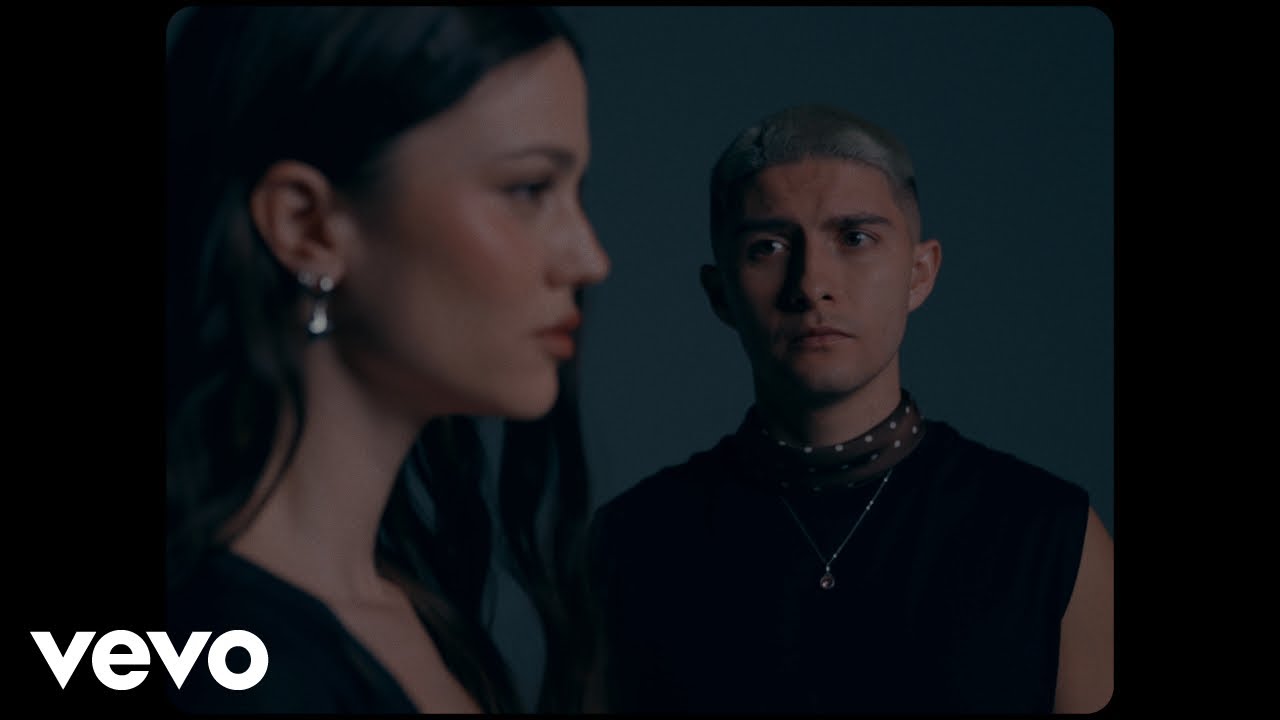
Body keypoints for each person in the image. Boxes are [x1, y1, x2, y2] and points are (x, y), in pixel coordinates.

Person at [589, 104, 1113, 714]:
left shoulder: (1050, 535)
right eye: (768, 246)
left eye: (855, 238)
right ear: (720, 293)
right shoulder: (632, 542)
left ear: (919, 273)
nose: (811, 284)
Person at [165, 7, 610, 713]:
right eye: (528, 189)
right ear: (307, 226)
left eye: (576, 191)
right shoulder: (213, 661)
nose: (589, 260)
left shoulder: (417, 611)